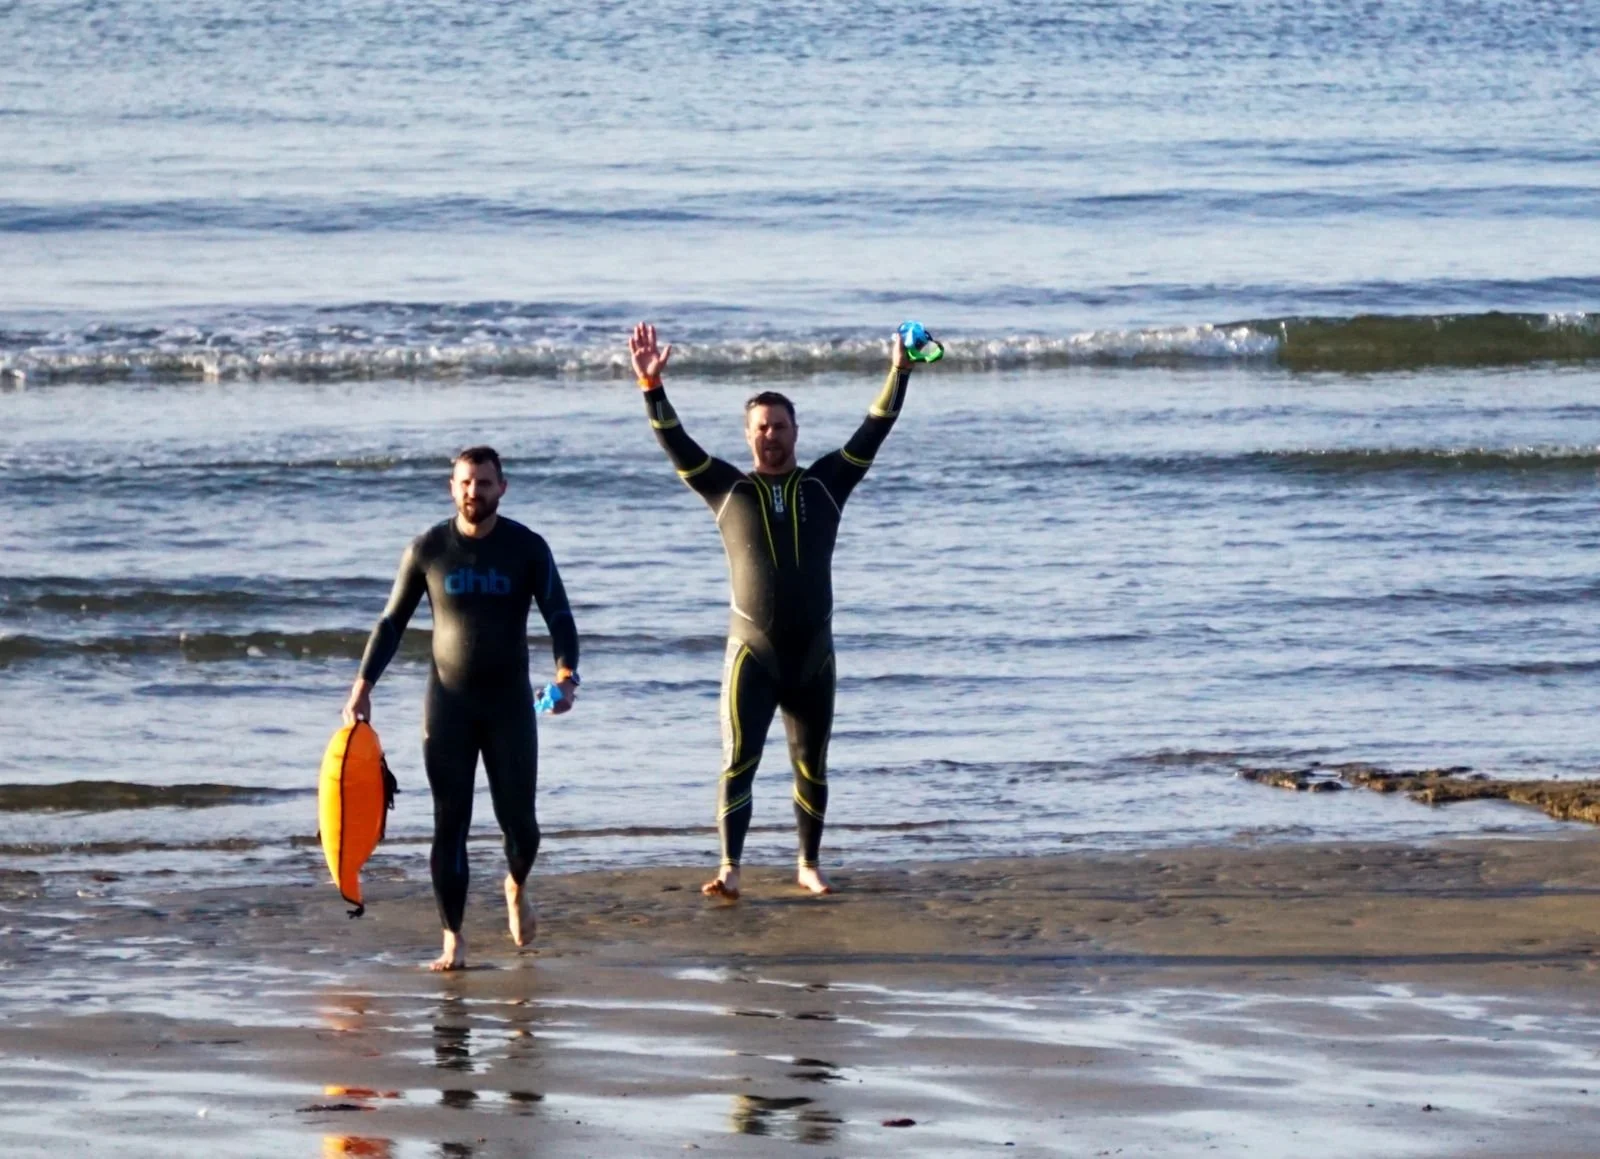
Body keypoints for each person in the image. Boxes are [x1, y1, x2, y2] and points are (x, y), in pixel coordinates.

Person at [628, 321, 915, 900]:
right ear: (748, 434)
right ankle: (730, 867)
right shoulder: (727, 489)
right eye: (761, 427)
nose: (771, 436)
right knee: (740, 761)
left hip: (814, 654)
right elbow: (675, 443)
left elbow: (876, 427)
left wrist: (899, 369)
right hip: (751, 654)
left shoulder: (827, 483)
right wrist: (651, 386)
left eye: (780, 426)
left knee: (812, 764)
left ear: (795, 431)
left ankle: (808, 863)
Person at [342, 446, 579, 970]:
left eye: (485, 483)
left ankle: (515, 885)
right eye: (466, 483)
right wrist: (363, 684)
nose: (475, 492)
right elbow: (390, 624)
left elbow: (559, 616)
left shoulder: (527, 549)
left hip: (509, 706)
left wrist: (566, 676)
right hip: (447, 705)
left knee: (522, 826)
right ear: (453, 488)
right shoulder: (428, 549)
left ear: (503, 487)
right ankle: (454, 939)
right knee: (450, 823)